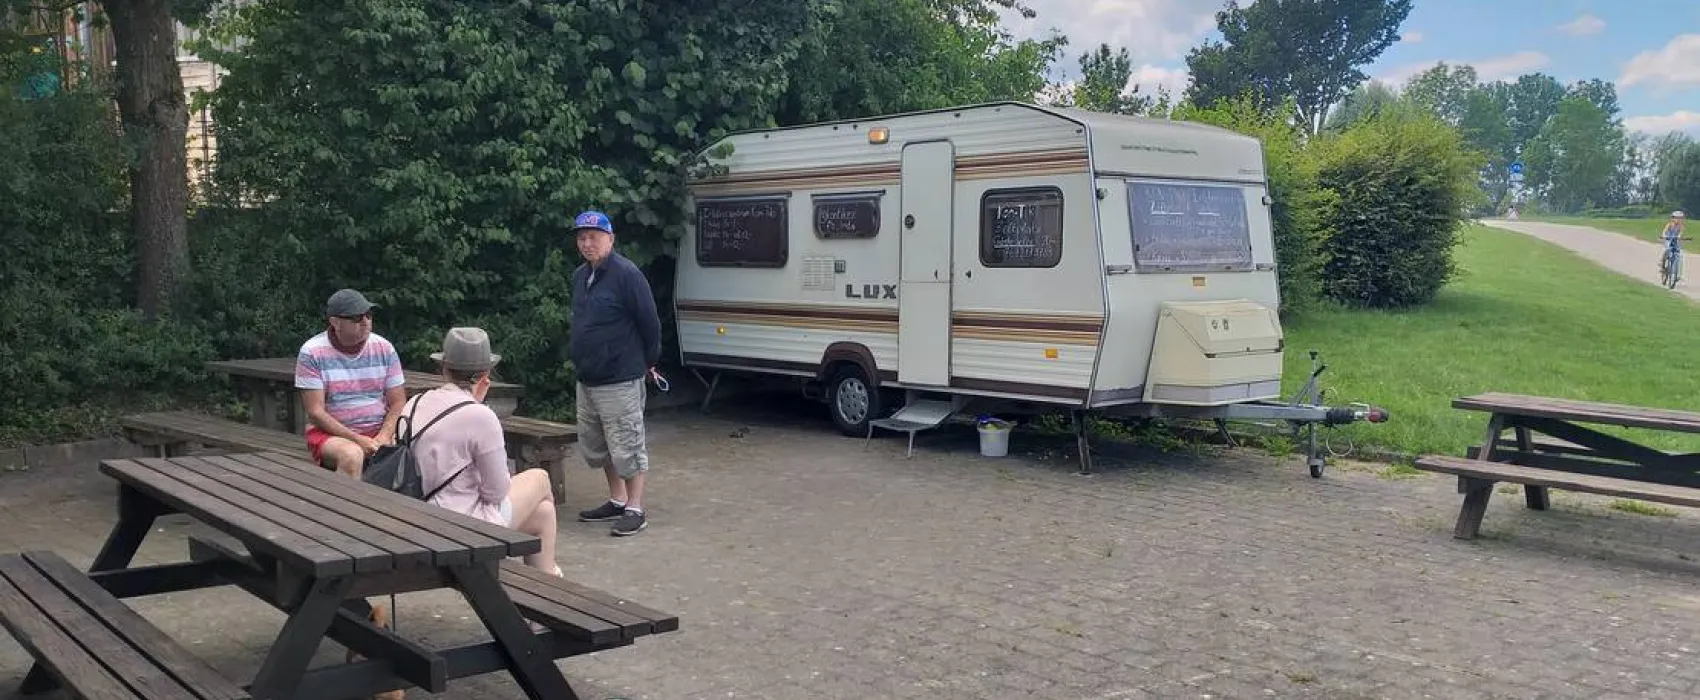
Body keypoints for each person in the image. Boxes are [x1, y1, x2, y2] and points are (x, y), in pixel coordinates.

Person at [408, 327, 562, 575]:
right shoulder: (480, 416)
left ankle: (549, 586)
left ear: (443, 368)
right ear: (485, 373)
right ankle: (552, 581)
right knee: (540, 478)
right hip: (461, 527)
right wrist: (477, 406)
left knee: (543, 514)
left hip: (420, 518)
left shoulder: (414, 403)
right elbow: (496, 492)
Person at [567, 210, 663, 537]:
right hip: (588, 377)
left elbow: (650, 323)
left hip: (620, 376)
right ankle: (617, 499)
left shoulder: (627, 274)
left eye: (594, 236)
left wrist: (648, 361)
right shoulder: (581, 276)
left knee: (627, 443)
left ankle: (636, 508)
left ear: (611, 238)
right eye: (582, 237)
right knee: (598, 445)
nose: (587, 243)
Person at [294, 288, 408, 476]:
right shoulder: (312, 352)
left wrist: (385, 435)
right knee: (352, 455)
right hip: (330, 435)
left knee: (422, 445)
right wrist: (357, 439)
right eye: (356, 318)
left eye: (369, 315)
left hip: (379, 431)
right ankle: (345, 505)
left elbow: (398, 402)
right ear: (335, 322)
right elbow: (315, 412)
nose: (365, 322)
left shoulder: (385, 348)